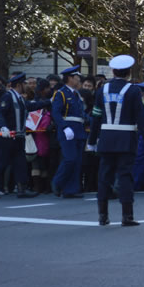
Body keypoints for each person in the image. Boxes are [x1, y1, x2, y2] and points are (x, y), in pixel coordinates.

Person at [88, 55, 144, 226]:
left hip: (106, 139)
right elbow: (141, 119)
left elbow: (95, 117)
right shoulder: (133, 91)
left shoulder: (102, 90)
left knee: (104, 177)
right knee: (125, 176)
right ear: (128, 72)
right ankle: (127, 216)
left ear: (113, 71)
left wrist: (92, 140)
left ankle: (103, 216)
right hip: (126, 140)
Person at [0, 73, 51, 199]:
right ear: (19, 85)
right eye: (24, 84)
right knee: (0, 163)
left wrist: (49, 101)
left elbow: (31, 106)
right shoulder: (8, 96)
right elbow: (0, 113)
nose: (26, 86)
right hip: (7, 137)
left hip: (18, 136)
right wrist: (3, 127)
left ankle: (22, 189)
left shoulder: (19, 98)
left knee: (20, 163)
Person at [50, 65, 87, 198]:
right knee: (70, 159)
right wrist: (64, 127)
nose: (79, 80)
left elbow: (81, 114)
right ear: (70, 78)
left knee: (77, 161)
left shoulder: (76, 94)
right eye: (77, 77)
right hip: (68, 130)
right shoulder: (61, 93)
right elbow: (56, 112)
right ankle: (57, 182)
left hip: (79, 130)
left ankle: (71, 189)